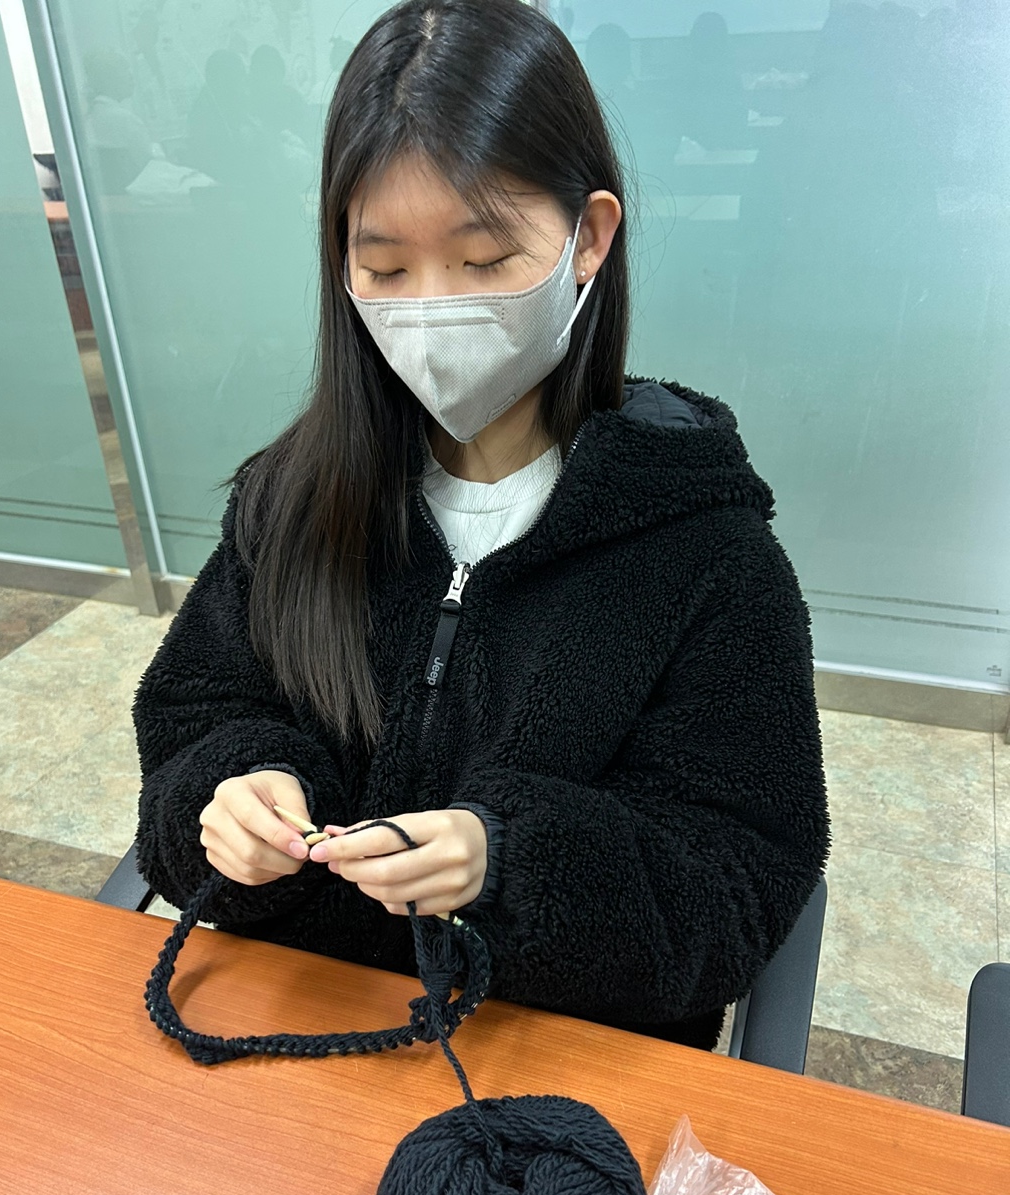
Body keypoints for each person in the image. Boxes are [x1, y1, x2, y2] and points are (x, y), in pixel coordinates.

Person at [132, 0, 830, 1052]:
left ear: (588, 238)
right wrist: (233, 795)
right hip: (294, 1039)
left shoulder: (709, 558)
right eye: (385, 267)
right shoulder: (288, 507)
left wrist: (510, 863)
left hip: (554, 1073)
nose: (431, 310)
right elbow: (191, 720)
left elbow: (736, 887)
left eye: (486, 257)